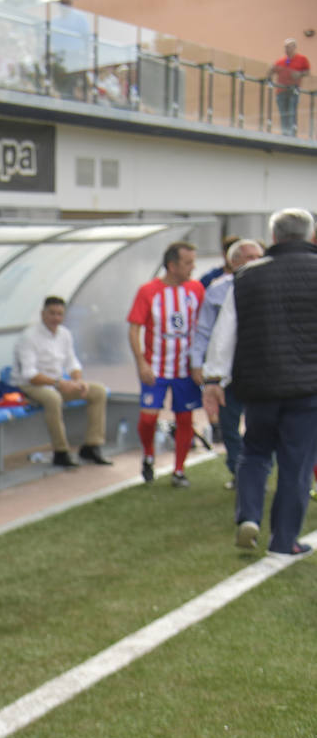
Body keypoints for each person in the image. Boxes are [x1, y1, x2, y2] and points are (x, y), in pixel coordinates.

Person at [202, 208, 317, 556]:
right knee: (296, 465)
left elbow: (225, 334)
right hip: (308, 388)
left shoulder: (245, 277)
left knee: (253, 453)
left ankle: (248, 516)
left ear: (274, 237)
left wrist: (213, 378)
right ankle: (284, 541)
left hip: (260, 385)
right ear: (310, 236)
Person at [128, 241, 204, 486]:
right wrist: (141, 363)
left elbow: (203, 328)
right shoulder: (148, 291)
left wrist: (200, 363)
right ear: (172, 266)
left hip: (185, 369)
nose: (193, 268)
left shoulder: (196, 289)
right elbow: (134, 329)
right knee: (148, 418)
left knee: (185, 419)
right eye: (188, 263)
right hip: (156, 368)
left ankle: (178, 471)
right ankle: (148, 454)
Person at [192, 239, 264, 489]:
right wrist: (198, 363)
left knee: (262, 424)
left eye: (259, 256)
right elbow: (205, 330)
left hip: (260, 370)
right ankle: (238, 471)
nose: (256, 262)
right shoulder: (217, 290)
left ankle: (258, 473)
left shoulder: (269, 285)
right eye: (249, 257)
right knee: (229, 425)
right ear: (233, 262)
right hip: (227, 372)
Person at [12, 296, 112, 468]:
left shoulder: (65, 334)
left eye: (60, 314)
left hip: (56, 384)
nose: (56, 318)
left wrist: (78, 381)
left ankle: (92, 446)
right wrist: (59, 383)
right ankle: (61, 452)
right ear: (43, 314)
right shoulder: (28, 337)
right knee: (53, 398)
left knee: (98, 391)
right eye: (52, 313)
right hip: (30, 386)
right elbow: (29, 374)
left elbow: (72, 362)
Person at [269, 38, 310, 137]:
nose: (286, 49)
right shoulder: (281, 61)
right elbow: (271, 72)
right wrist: (271, 70)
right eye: (285, 47)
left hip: (293, 90)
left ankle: (292, 134)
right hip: (281, 91)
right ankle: (285, 133)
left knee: (291, 112)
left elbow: (307, 72)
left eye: (288, 47)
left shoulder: (302, 59)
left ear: (294, 47)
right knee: (283, 113)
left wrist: (299, 74)